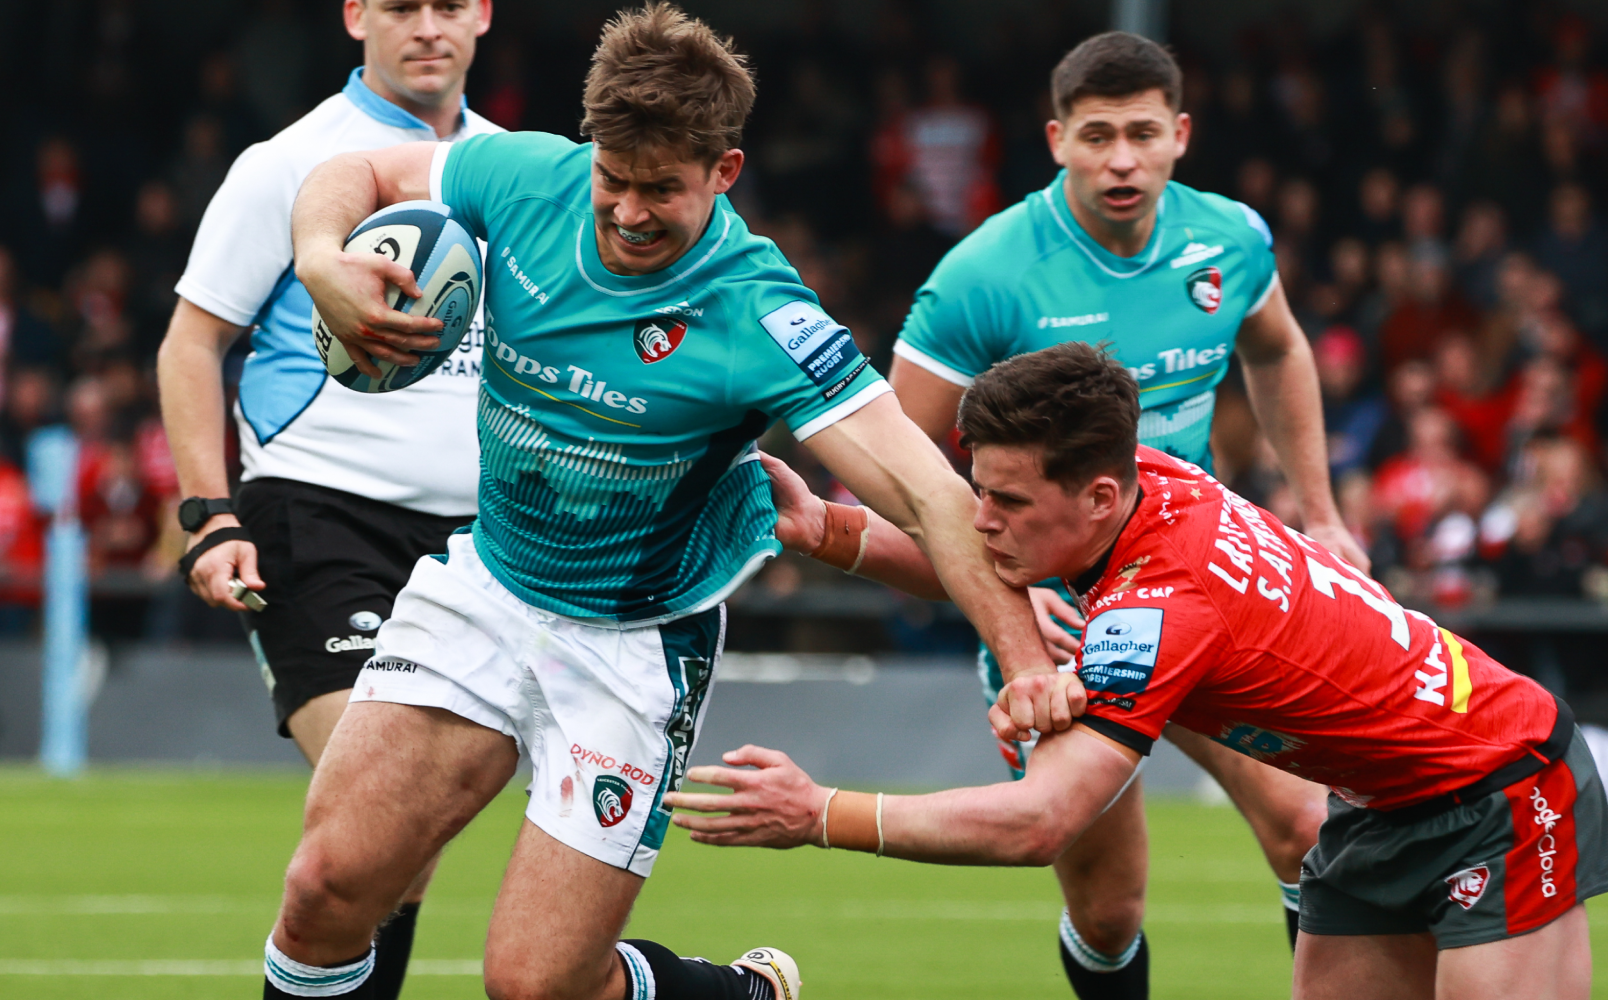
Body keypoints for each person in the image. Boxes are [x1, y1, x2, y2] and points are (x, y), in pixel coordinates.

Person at [264, 6, 1067, 999]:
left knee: (535, 984)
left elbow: (928, 493)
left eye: (663, 190)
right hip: (490, 582)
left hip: (634, 639)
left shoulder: (760, 315)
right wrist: (319, 257)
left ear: (724, 174)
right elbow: (368, 171)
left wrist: (1027, 664)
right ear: (588, 149)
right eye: (614, 180)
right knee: (323, 889)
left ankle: (741, 995)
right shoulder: (525, 179)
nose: (630, 212)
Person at [675, 342, 1608, 1000]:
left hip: (1500, 783)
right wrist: (828, 529)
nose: (981, 520)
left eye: (1004, 500)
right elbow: (987, 556)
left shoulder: (1161, 605)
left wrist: (820, 813)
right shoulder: (1142, 483)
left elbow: (1037, 823)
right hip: (1377, 807)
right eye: (979, 494)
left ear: (1097, 496)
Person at [884, 32, 1366, 998]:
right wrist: (1011, 614)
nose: (1121, 159)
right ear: (1056, 138)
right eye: (1097, 135)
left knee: (1310, 829)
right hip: (1064, 616)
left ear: (1179, 135)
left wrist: (1321, 513)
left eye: (1142, 134)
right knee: (1109, 908)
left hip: (1203, 586)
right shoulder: (985, 274)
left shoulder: (1228, 239)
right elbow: (897, 464)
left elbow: (1276, 351)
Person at [155, 3, 500, 995]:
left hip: (489, 544)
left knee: (398, 837)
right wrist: (209, 518)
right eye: (400, 6)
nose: (426, 26)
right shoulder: (288, 162)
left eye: (448, 4)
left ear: (482, 13)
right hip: (317, 515)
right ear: (356, 16)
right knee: (381, 808)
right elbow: (192, 342)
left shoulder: (517, 170)